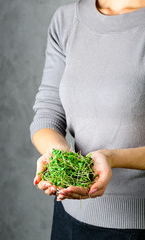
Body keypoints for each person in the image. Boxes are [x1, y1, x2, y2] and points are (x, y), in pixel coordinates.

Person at [30, 0, 145, 239]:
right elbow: (48, 111)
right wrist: (60, 158)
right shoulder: (66, 19)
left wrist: (112, 158)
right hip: (68, 220)